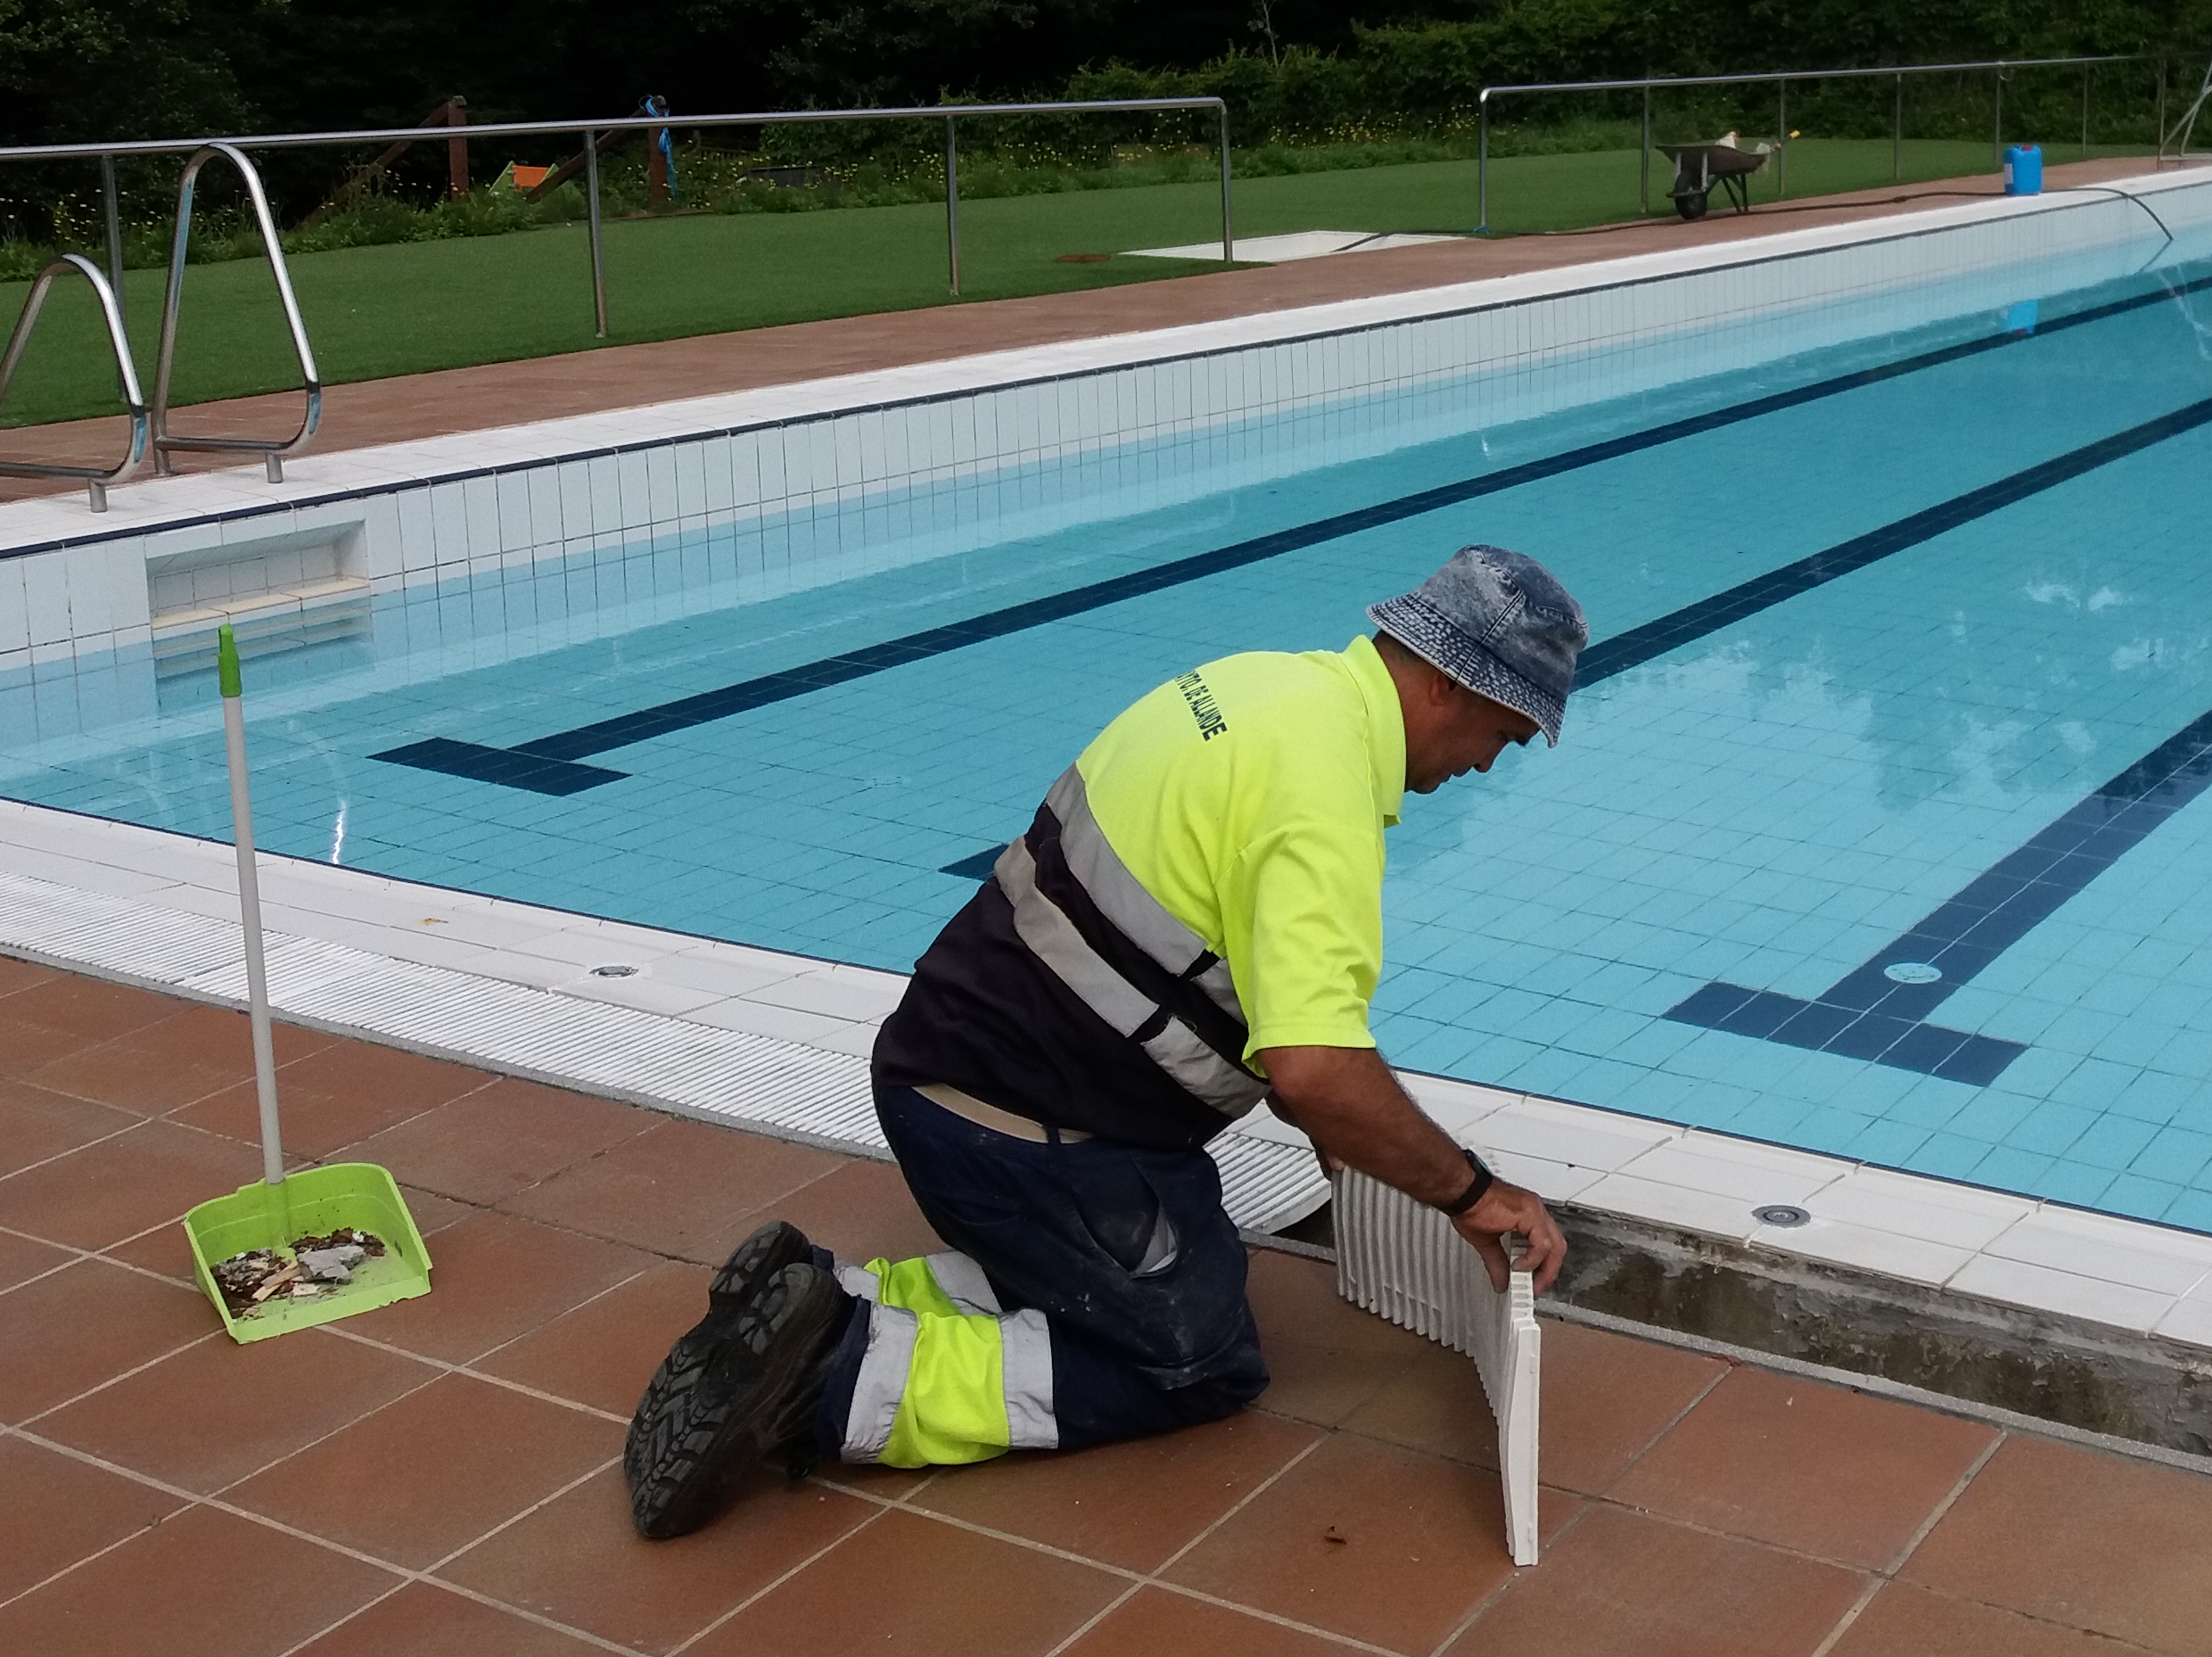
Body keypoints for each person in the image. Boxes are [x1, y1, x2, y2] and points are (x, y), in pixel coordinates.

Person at [621, 544, 1584, 1537]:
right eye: (1502, 737)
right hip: (1013, 1131)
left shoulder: (1262, 688)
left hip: (949, 1069)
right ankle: (833, 1377)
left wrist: (1349, 1127)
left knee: (1169, 1250)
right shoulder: (1321, 800)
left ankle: (820, 1302)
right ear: (1445, 683)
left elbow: (1238, 984)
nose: (1483, 765)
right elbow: (1313, 1068)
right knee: (1192, 1359)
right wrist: (1472, 1194)